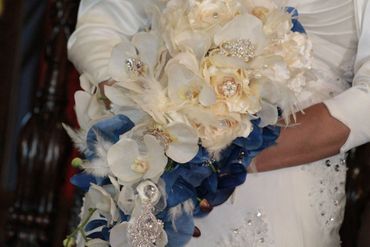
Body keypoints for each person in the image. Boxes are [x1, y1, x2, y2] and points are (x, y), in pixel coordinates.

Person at [67, 0, 370, 246]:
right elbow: (101, 22)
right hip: (154, 165)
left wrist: (232, 156)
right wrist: (143, 99)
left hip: (281, 186)